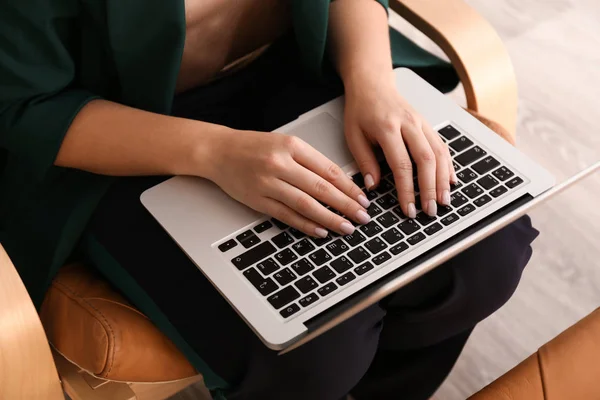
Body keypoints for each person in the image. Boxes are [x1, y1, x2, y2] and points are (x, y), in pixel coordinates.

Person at [0, 1, 539, 399]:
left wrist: (372, 79)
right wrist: (213, 151)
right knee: (313, 352)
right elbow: (23, 106)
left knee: (480, 257)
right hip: (121, 132)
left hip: (289, 71)